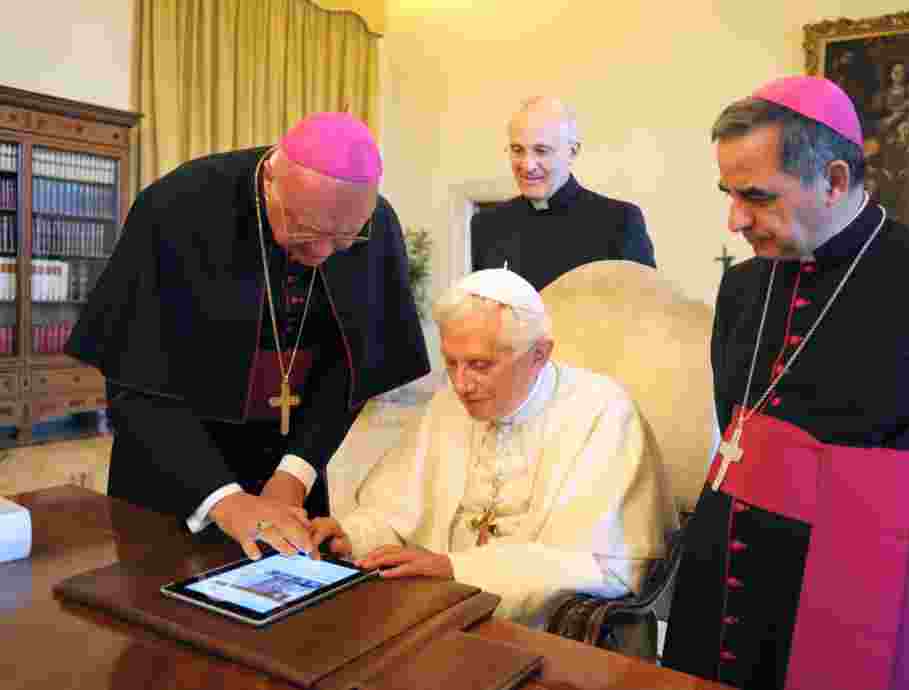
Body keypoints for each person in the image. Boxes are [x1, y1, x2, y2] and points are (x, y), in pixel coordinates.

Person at [661, 76, 909, 690]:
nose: (735, 220)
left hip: (874, 594)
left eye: (756, 197)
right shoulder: (744, 287)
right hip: (727, 587)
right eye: (728, 193)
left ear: (831, 181)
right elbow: (736, 424)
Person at [66, 113, 430, 559]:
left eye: (342, 241)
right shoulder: (178, 206)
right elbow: (136, 379)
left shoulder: (375, 225)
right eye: (305, 231)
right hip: (176, 471)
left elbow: (351, 373)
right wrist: (224, 499)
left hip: (290, 470)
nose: (319, 254)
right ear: (273, 177)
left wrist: (294, 474)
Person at [309, 268, 674, 626]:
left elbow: (602, 566)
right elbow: (393, 513)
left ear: (539, 355)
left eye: (480, 365)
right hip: (438, 610)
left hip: (544, 633)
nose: (462, 384)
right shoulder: (448, 404)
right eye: (451, 363)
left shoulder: (602, 412)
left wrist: (456, 568)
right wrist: (352, 536)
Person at [471, 97, 655, 291]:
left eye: (541, 151)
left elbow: (644, 311)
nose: (527, 165)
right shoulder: (486, 226)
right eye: (518, 150)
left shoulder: (619, 222)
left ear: (572, 152)